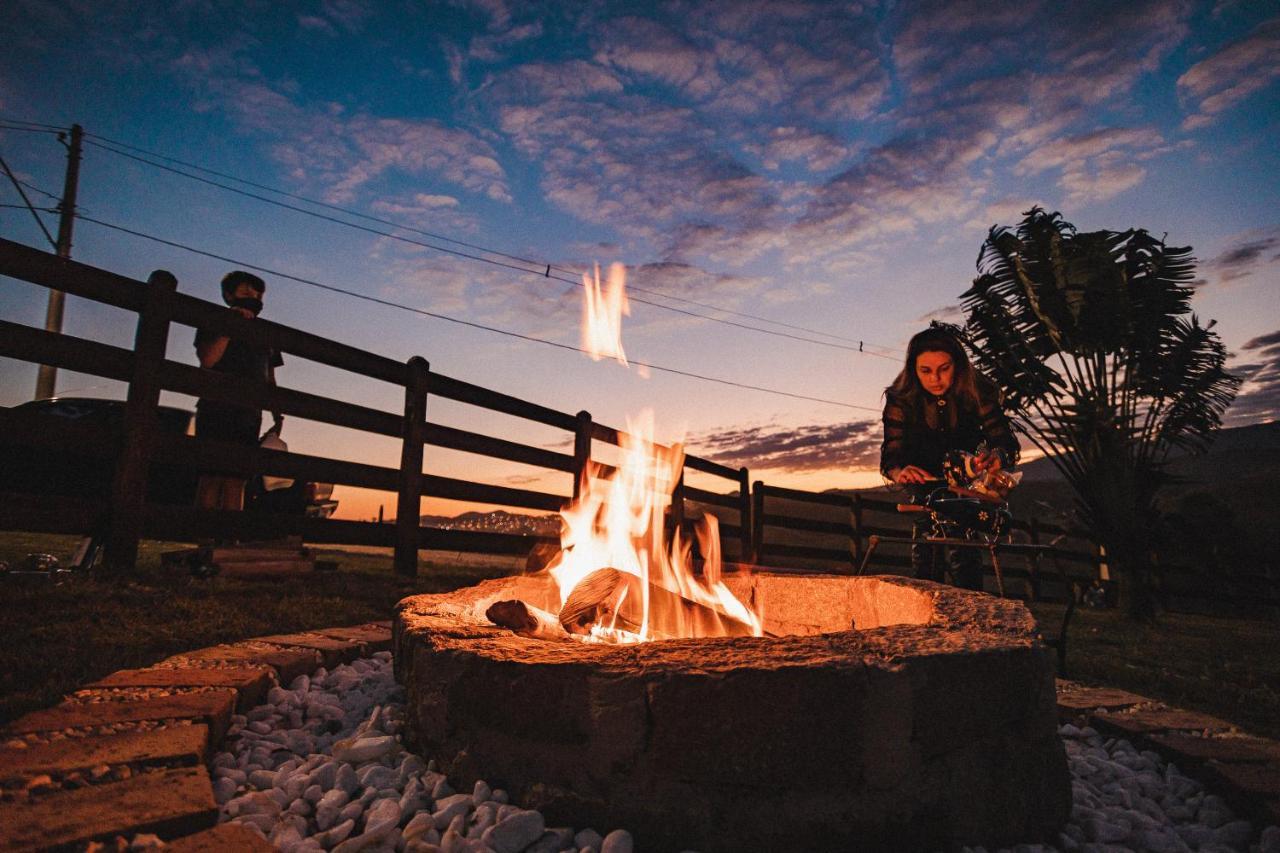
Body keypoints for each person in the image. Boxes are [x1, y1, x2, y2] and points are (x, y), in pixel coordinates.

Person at [879, 326, 1019, 590]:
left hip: (966, 490)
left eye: (944, 368)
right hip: (923, 491)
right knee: (925, 561)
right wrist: (900, 471)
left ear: (957, 365)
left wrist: (996, 457)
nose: (936, 379)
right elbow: (891, 454)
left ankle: (971, 620)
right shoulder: (901, 399)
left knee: (965, 559)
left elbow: (1004, 441)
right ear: (913, 369)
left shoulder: (977, 391)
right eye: (926, 371)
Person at [193, 271, 283, 512]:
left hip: (250, 412)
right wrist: (231, 326)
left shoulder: (265, 333)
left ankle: (229, 538)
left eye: (257, 294)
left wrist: (277, 412)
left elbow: (270, 376)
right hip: (216, 407)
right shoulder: (214, 320)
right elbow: (208, 360)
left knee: (237, 479)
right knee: (211, 476)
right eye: (245, 292)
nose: (253, 297)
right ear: (228, 295)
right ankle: (205, 539)